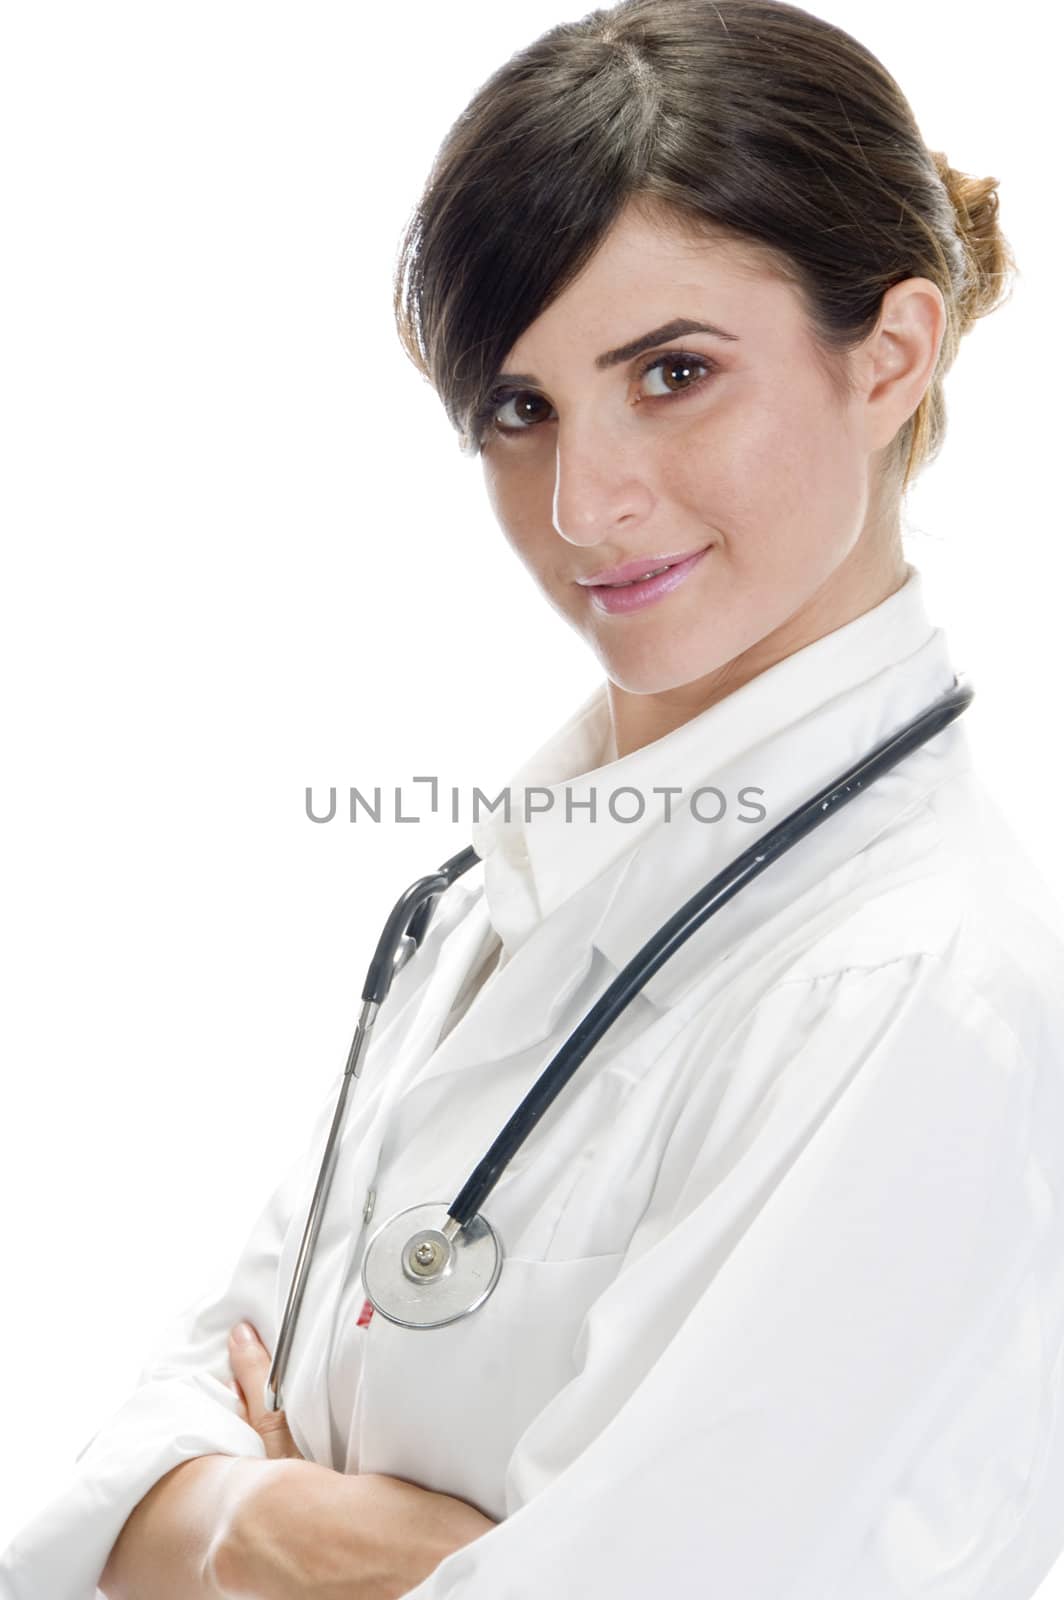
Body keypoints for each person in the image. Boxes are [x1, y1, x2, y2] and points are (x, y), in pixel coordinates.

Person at [4, 0, 1063, 1595]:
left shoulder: (917, 991)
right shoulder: (489, 901)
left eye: (677, 372)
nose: (585, 503)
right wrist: (247, 1519)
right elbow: (144, 1450)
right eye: (520, 406)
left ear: (890, 354)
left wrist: (218, 1520)